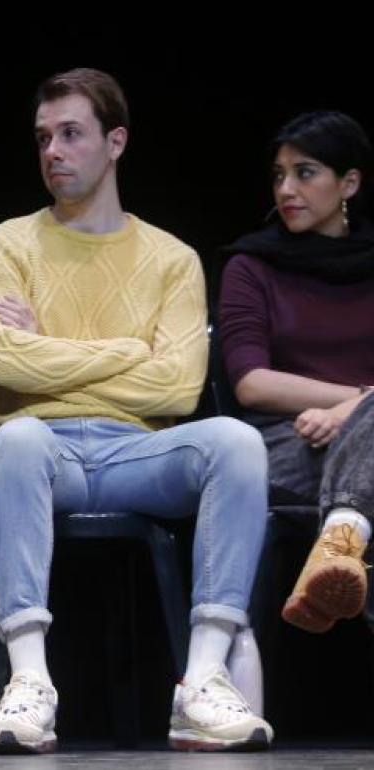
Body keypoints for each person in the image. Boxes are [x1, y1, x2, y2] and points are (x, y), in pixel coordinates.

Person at [0, 67, 273, 753]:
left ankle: (203, 680)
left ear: (116, 142)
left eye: (71, 134)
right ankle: (29, 682)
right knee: (17, 441)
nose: (53, 151)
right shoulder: (3, 245)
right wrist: (131, 351)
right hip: (41, 452)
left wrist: (47, 345)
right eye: (43, 138)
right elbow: (8, 366)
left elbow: (179, 386)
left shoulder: (172, 259)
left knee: (236, 443)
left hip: (137, 453)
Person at [219, 110, 373, 634]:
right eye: (279, 175)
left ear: (349, 183)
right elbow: (251, 382)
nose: (286, 189)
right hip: (287, 443)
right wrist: (357, 403)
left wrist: (351, 414)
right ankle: (343, 537)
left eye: (305, 173)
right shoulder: (251, 267)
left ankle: (340, 543)